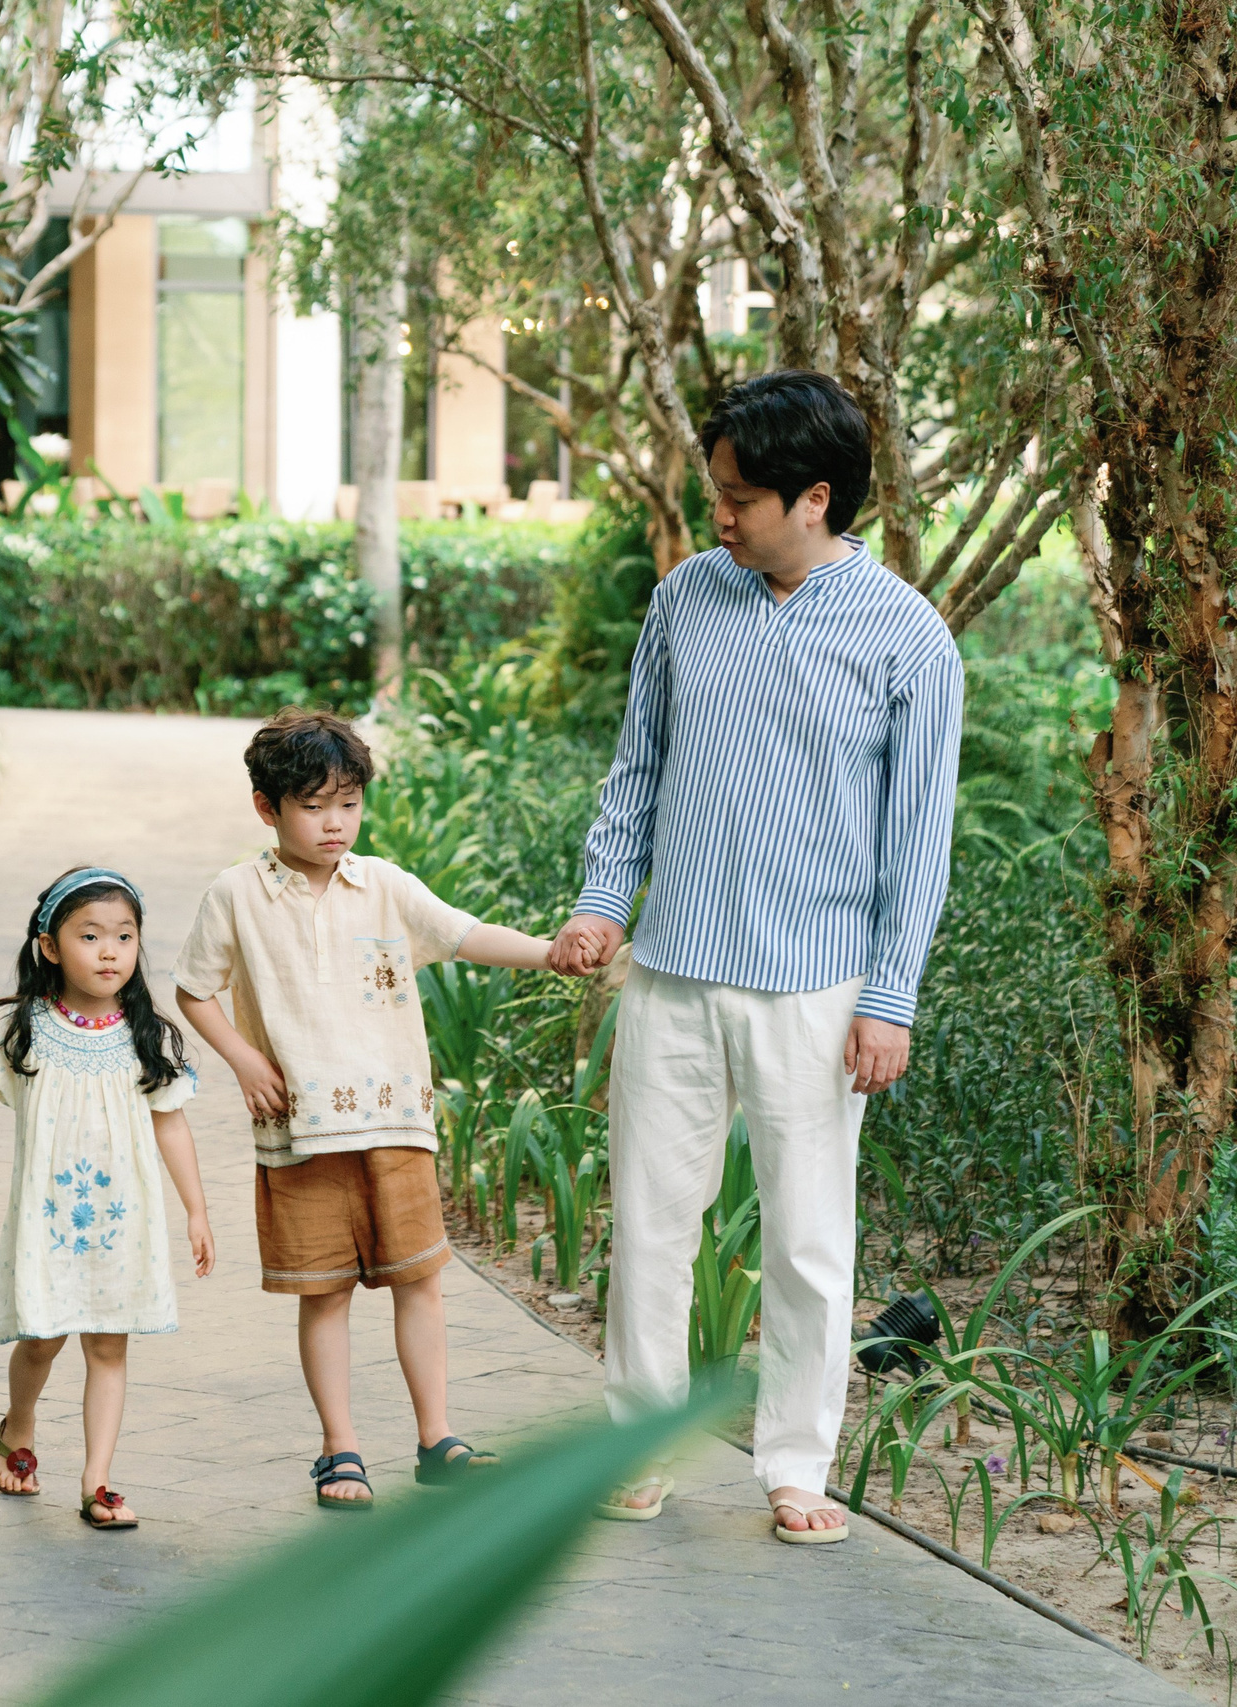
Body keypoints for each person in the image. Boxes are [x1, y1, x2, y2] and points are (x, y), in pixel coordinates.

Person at [547, 371, 963, 1544]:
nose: (718, 517)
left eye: (738, 499)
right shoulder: (686, 598)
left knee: (809, 1245)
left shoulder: (908, 640)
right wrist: (600, 903)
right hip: (672, 967)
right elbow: (636, 770)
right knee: (651, 1227)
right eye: (714, 494)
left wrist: (890, 999)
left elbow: (916, 841)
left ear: (815, 497)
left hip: (819, 987)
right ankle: (639, 1444)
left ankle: (794, 1465)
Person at [173, 710, 554, 1508]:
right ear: (266, 808)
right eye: (313, 805)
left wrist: (554, 952)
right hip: (302, 1131)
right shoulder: (236, 894)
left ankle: (436, 1437)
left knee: (420, 1281)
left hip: (395, 1122)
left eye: (348, 802)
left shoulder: (384, 885)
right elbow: (192, 988)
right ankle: (339, 1449)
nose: (334, 821)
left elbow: (464, 933)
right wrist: (244, 1060)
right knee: (326, 1292)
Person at [0, 868, 215, 1531]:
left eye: (124, 936)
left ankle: (98, 1479)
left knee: (109, 1349)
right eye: (90, 936)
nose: (110, 951)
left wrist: (196, 1209)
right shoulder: (22, 1026)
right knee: (42, 1339)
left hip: (123, 1224)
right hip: (50, 1222)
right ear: (51, 947)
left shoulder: (147, 1035)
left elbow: (171, 1120)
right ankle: (19, 1422)